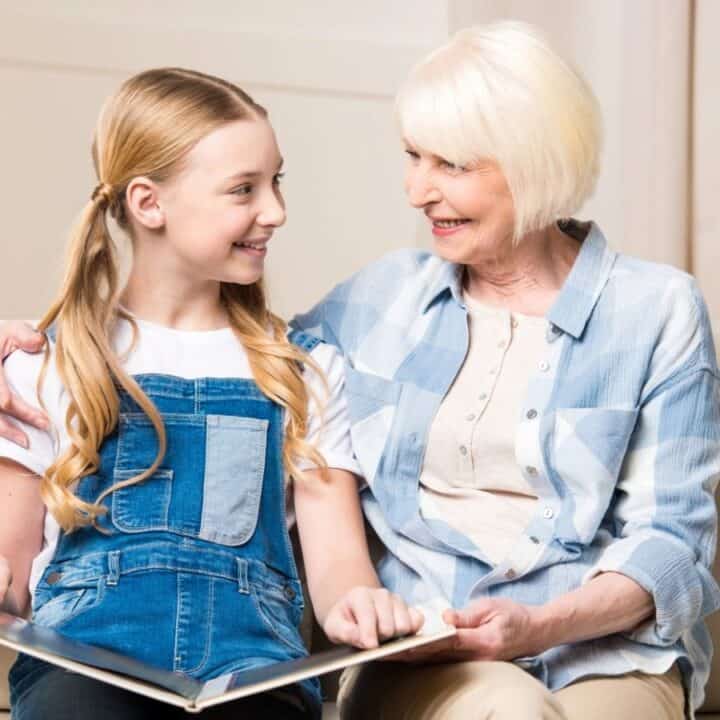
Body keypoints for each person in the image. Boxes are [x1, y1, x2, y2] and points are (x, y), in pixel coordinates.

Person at [2, 22, 719, 720]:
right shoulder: (375, 305)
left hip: (591, 648)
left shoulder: (653, 311)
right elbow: (16, 553)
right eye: (413, 156)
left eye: (451, 165)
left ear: (531, 165)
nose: (417, 191)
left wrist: (528, 623)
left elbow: (673, 540)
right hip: (415, 655)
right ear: (146, 203)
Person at [0, 67, 422, 720]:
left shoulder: (303, 372)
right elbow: (12, 562)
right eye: (243, 190)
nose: (275, 211)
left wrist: (359, 603)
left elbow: (339, 565)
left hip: (253, 676)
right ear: (149, 204)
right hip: (82, 667)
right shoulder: (47, 364)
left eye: (276, 181)